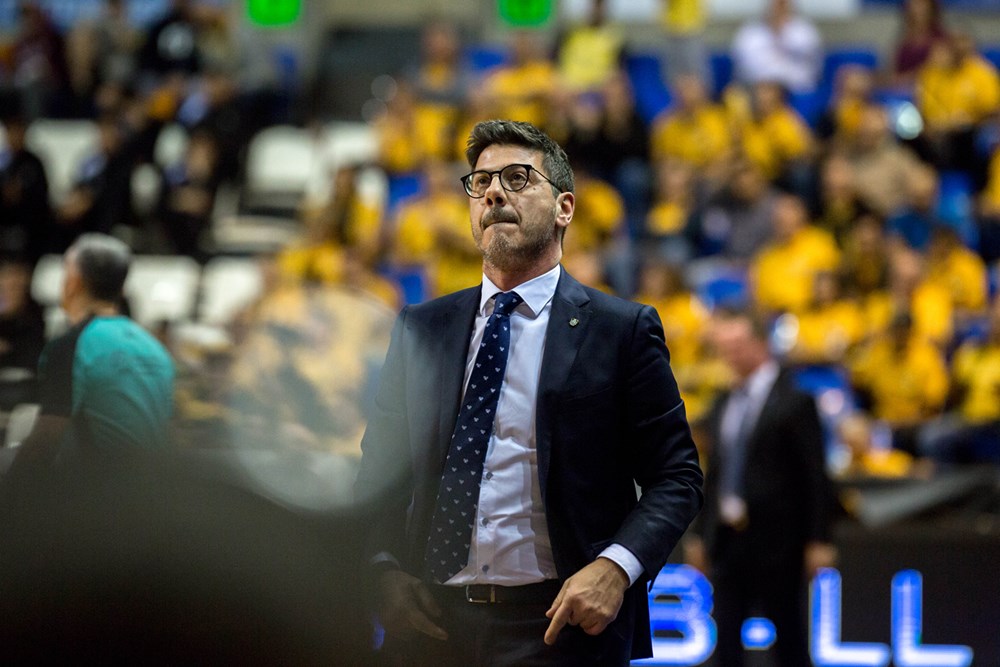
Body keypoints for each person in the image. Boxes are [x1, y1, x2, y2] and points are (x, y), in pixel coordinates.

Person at [355, 119, 704, 666]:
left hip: (560, 629)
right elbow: (379, 470)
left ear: (564, 207)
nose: (493, 193)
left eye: (517, 178)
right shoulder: (421, 328)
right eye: (480, 182)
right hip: (429, 624)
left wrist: (616, 568)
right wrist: (380, 571)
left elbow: (677, 476)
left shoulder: (621, 330)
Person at [686, 307, 837, 666]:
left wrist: (820, 539)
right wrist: (700, 534)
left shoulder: (795, 400)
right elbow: (716, 473)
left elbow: (815, 475)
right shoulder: (723, 401)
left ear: (760, 343)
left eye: (737, 345)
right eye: (724, 347)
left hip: (779, 542)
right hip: (728, 540)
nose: (730, 355)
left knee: (789, 642)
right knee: (725, 643)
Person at [10, 234, 175, 473]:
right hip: (154, 487)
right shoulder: (155, 349)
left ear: (74, 281)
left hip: (97, 490)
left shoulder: (71, 346)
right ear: (122, 287)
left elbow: (42, 446)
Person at [730, 0, 823, 94]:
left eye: (782, 3)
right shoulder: (750, 33)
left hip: (796, 89)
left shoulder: (805, 32)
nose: (778, 7)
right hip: (758, 89)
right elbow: (743, 68)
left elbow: (812, 67)